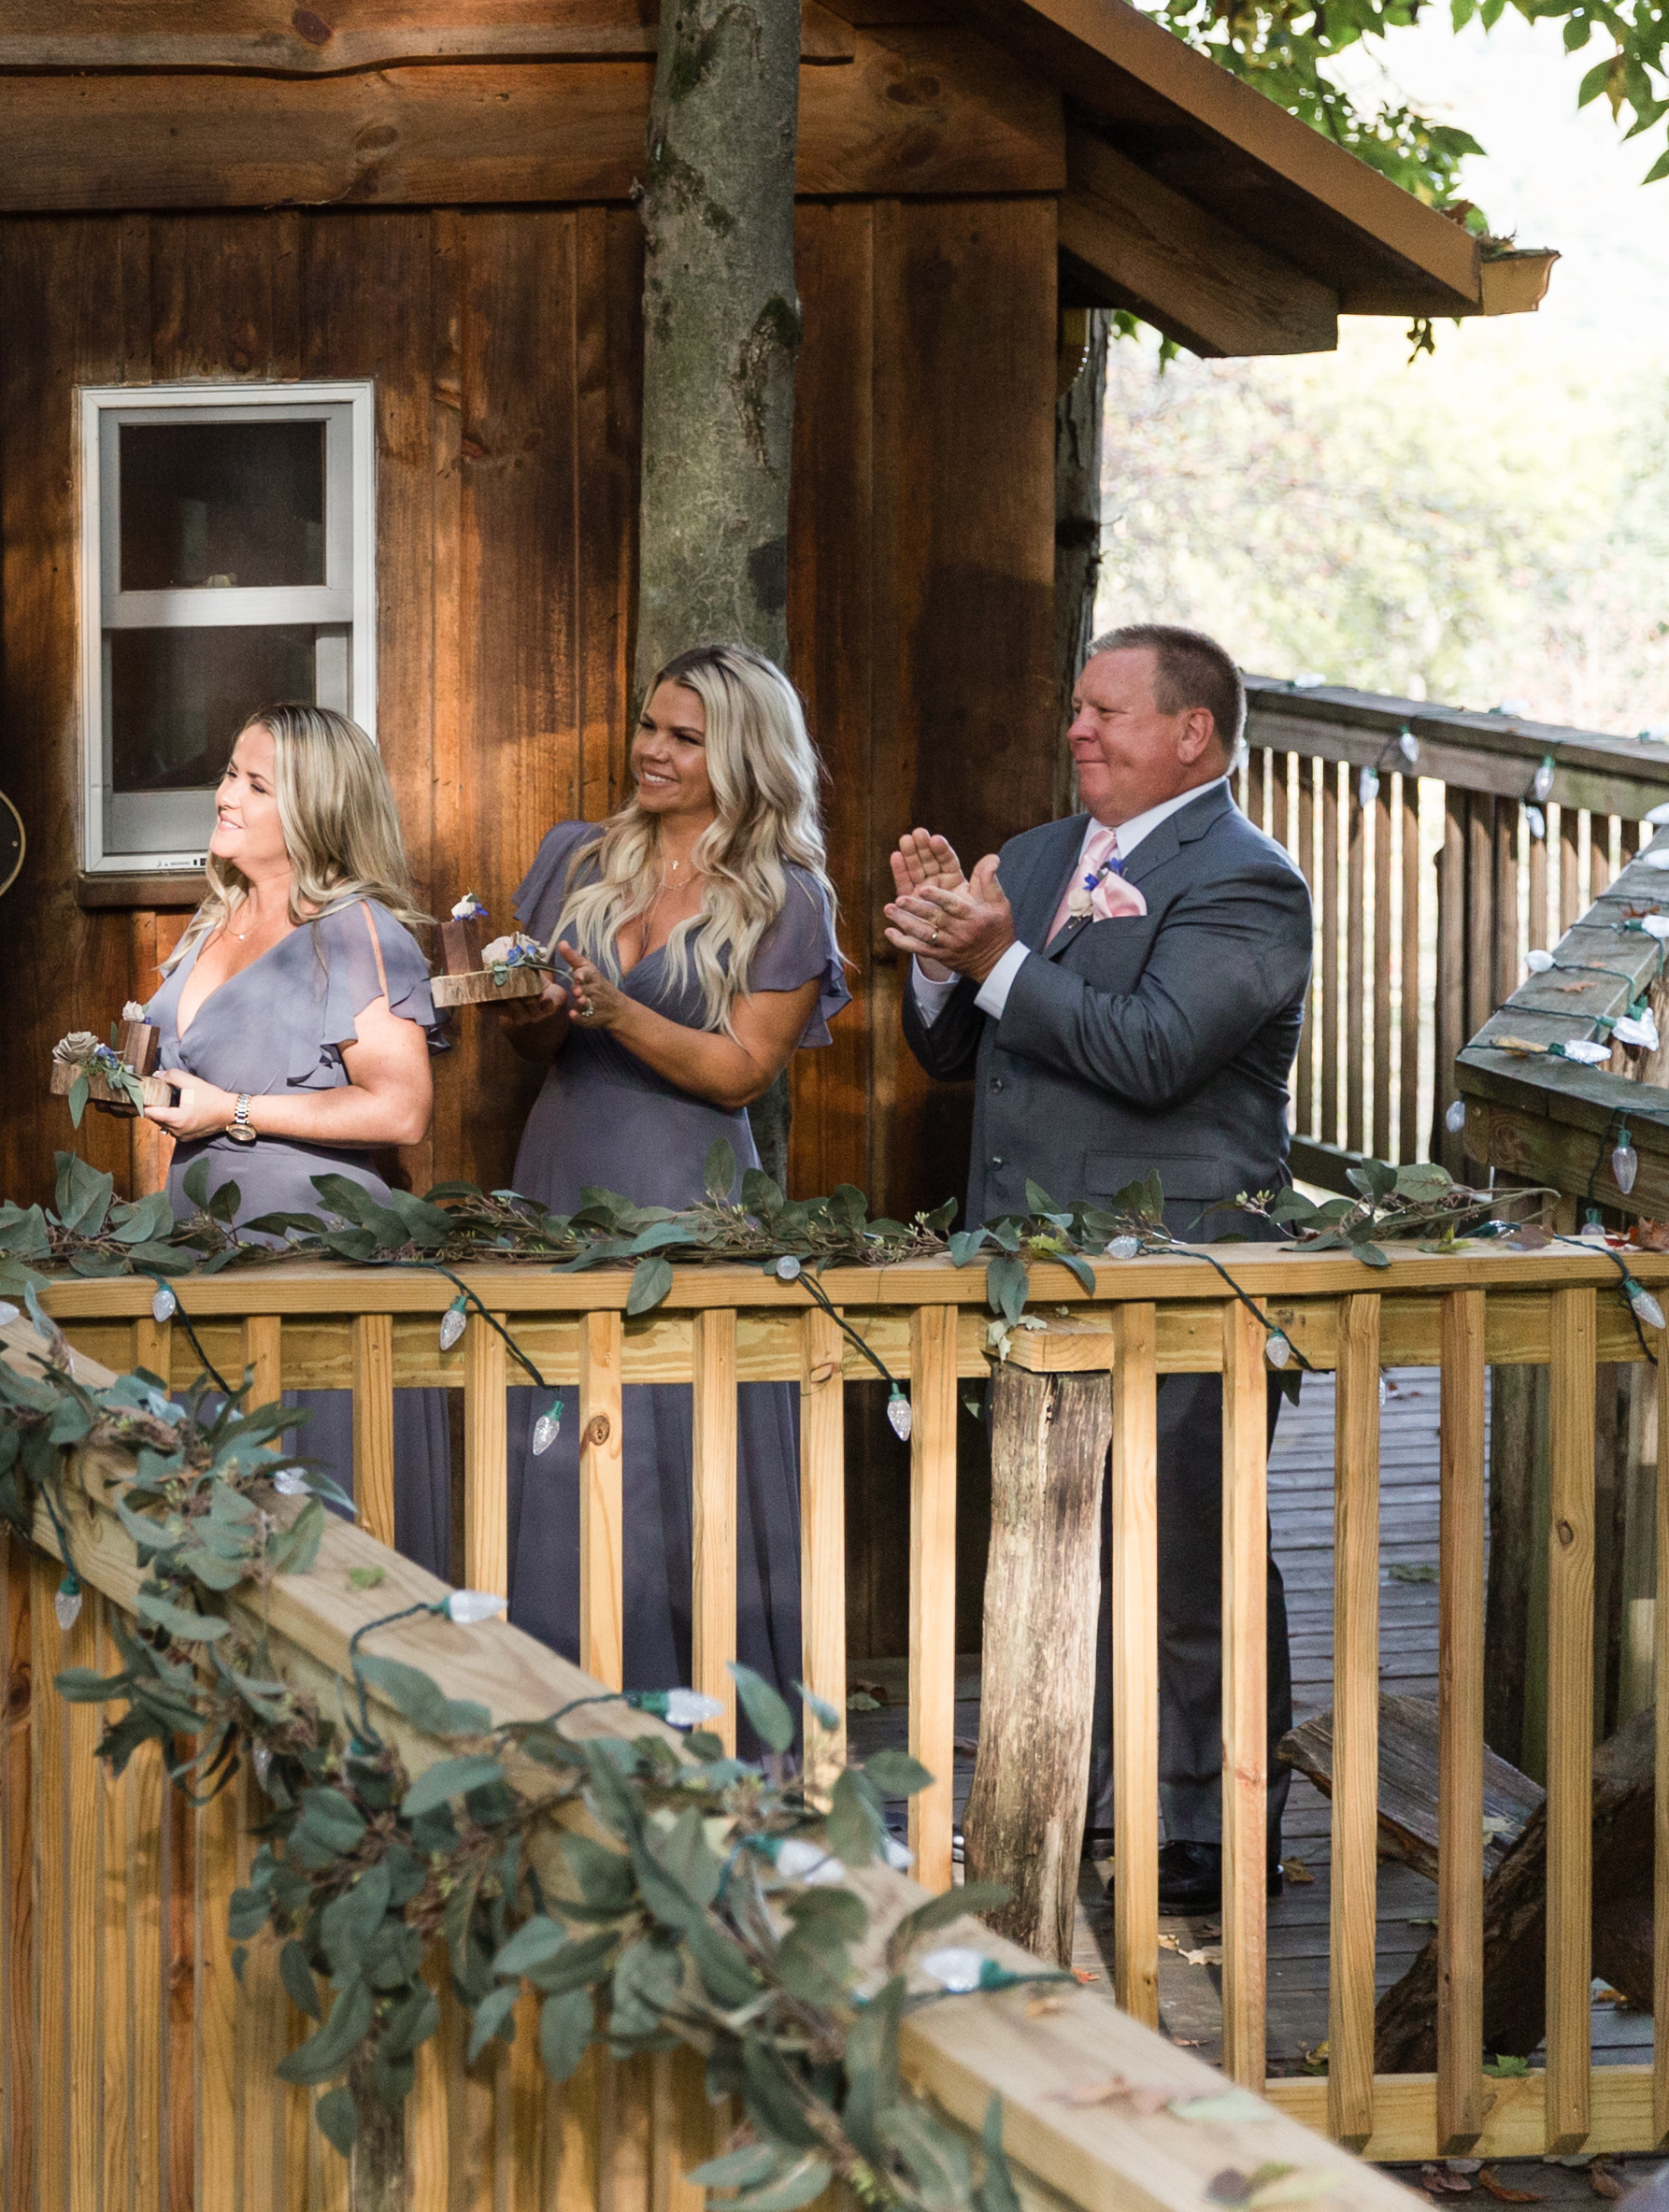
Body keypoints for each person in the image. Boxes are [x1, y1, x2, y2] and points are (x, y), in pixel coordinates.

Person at [887, 622, 1308, 1914]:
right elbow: (971, 1057)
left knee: (1185, 1541)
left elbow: (1158, 1050)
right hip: (1032, 1263)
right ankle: (1064, 1792)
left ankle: (1203, 1822)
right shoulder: (1048, 854)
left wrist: (996, 960)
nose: (1078, 731)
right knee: (1050, 1536)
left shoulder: (1249, 882)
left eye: (1106, 712)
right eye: (1076, 707)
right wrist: (936, 956)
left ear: (1192, 735)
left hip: (1183, 1263)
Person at [491, 646, 851, 1693]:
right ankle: (564, 1689)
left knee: (680, 1445)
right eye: (650, 726)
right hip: (564, 1162)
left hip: (685, 1191)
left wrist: (616, 1009)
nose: (652, 749)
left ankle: (699, 1706)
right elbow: (539, 1046)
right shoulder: (577, 855)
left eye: (684, 737)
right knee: (563, 1426)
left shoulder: (787, 896)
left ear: (743, 753)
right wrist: (530, 1014)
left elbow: (742, 1072)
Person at [130, 705, 446, 1500]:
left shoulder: (355, 931)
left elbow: (401, 1110)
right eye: (231, 773)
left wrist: (232, 1112)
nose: (226, 795)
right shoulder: (217, 920)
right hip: (204, 1255)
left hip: (310, 1259)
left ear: (315, 811)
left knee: (310, 1513)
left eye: (256, 784)